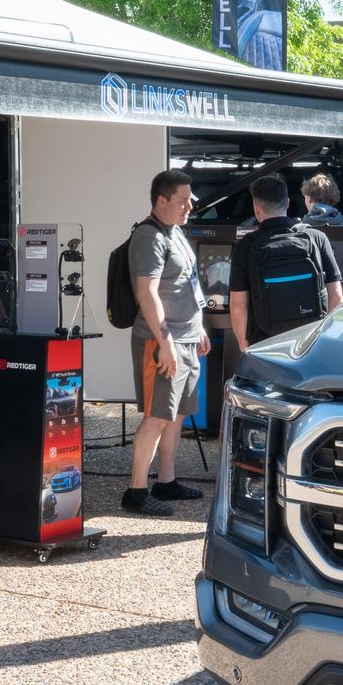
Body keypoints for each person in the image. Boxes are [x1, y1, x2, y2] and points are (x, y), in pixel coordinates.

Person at [126, 169, 209, 517]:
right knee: (158, 416)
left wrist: (199, 326)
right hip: (162, 341)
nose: (190, 206)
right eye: (183, 200)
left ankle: (166, 480)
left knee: (175, 415)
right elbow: (147, 292)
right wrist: (166, 342)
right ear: (161, 200)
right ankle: (136, 490)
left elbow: (185, 285)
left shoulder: (175, 232)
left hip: (186, 339)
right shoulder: (149, 237)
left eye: (191, 199)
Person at [228, 175, 343, 351]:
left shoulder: (246, 246)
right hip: (309, 341)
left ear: (256, 207)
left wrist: (244, 347)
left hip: (264, 344)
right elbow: (335, 293)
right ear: (288, 203)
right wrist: (324, 338)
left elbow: (238, 304)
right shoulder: (316, 238)